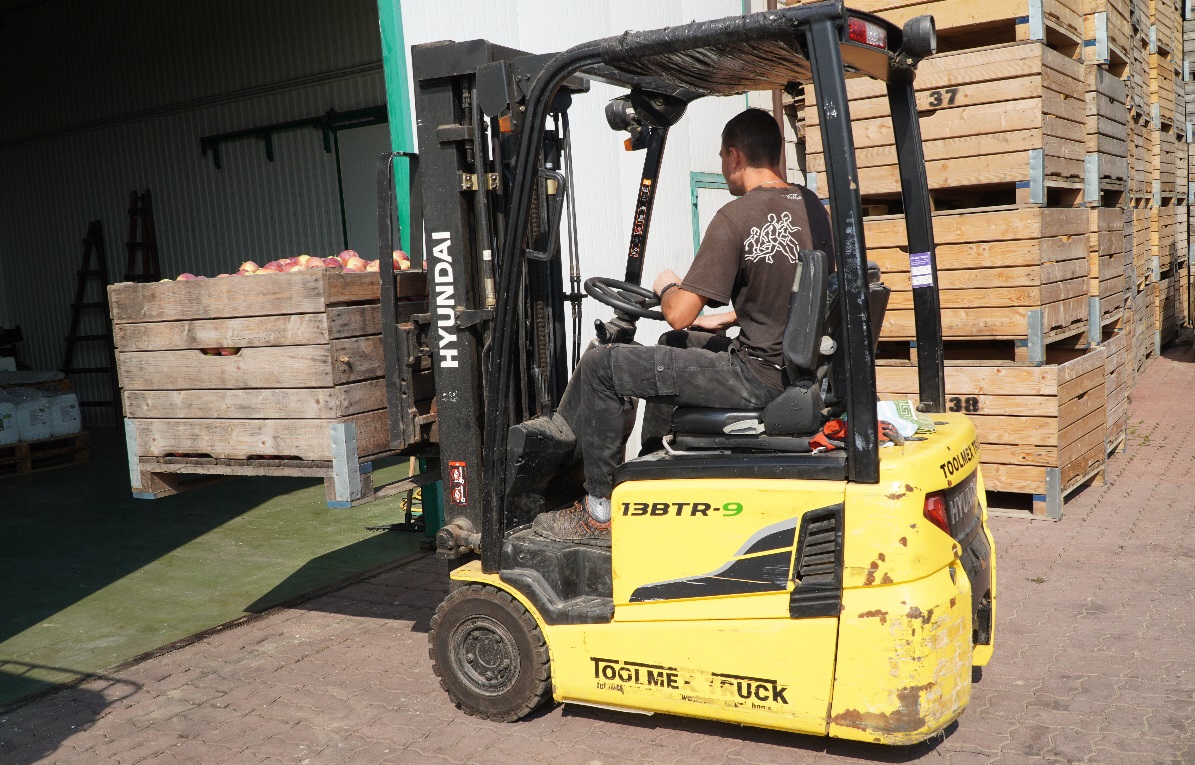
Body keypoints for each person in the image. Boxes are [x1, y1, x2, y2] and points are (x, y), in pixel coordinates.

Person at [532, 108, 834, 545]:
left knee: (601, 366)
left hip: (755, 377)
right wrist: (729, 317)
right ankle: (655, 466)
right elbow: (803, 291)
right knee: (676, 343)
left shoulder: (736, 217)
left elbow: (679, 311)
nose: (723, 167)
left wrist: (668, 286)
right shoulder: (813, 209)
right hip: (789, 367)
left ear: (734, 155)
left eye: (722, 157)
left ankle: (599, 514)